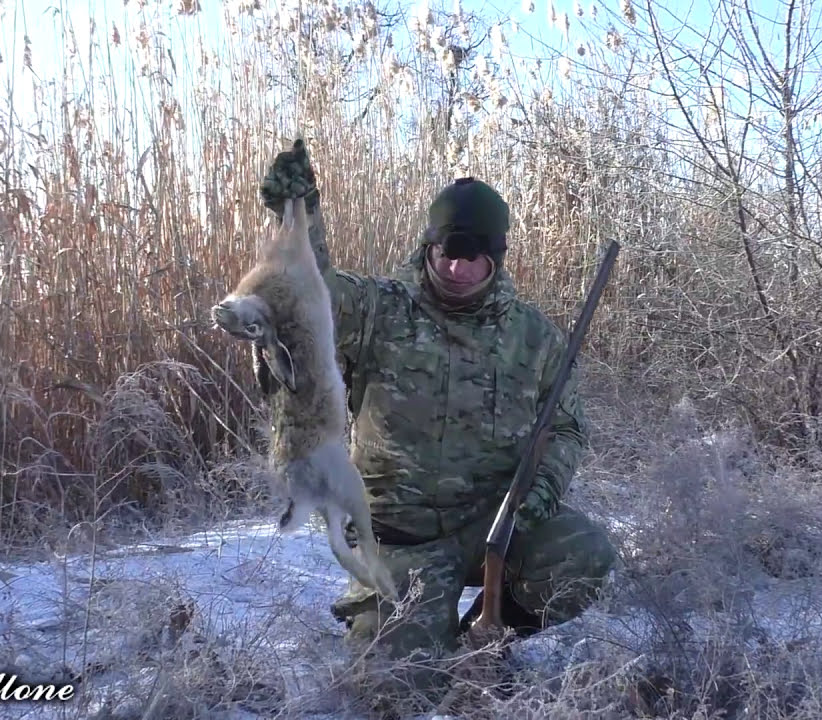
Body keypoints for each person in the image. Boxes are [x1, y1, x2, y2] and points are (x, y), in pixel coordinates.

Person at [256, 139, 617, 710]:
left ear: (496, 257)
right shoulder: (380, 310)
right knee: (396, 691)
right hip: (401, 537)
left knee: (585, 552)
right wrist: (300, 220)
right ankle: (423, 636)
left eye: (473, 252)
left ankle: (486, 635)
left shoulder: (534, 337)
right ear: (428, 246)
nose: (457, 265)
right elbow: (312, 294)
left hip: (491, 525)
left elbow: (566, 428)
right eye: (447, 248)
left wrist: (540, 493)